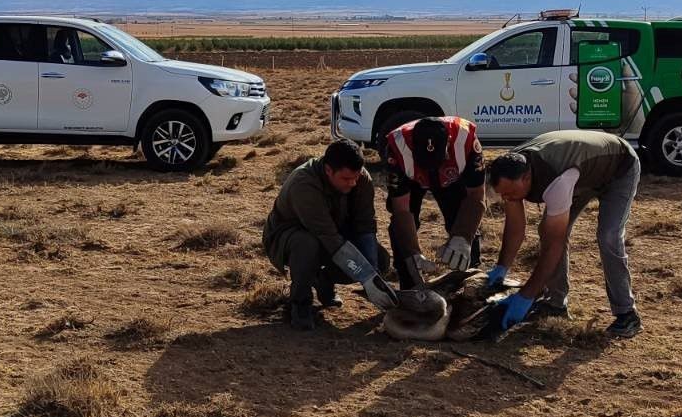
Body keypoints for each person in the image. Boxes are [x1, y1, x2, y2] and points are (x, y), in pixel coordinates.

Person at [484, 130, 643, 338]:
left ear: (526, 177)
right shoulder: (510, 168)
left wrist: (526, 295)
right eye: (502, 194)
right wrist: (501, 268)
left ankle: (627, 313)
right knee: (546, 229)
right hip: (583, 173)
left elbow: (554, 244)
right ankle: (555, 304)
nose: (506, 198)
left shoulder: (557, 179)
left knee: (609, 236)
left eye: (510, 193)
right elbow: (515, 229)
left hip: (619, 167)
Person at [263, 139, 399, 330]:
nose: (352, 183)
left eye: (356, 177)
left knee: (380, 260)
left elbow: (365, 226)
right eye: (345, 179)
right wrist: (365, 276)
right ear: (328, 170)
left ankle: (323, 280)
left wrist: (373, 276)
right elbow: (327, 236)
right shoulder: (304, 184)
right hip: (287, 237)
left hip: (334, 234)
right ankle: (300, 304)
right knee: (307, 244)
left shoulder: (361, 179)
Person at [385, 116, 486, 289]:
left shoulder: (466, 140)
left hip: (452, 177)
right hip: (412, 180)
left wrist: (463, 236)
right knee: (400, 230)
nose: (430, 167)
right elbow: (401, 209)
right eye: (424, 161)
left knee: (462, 218)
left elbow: (476, 196)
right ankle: (410, 286)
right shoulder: (397, 148)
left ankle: (469, 278)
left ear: (448, 142)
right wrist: (412, 253)